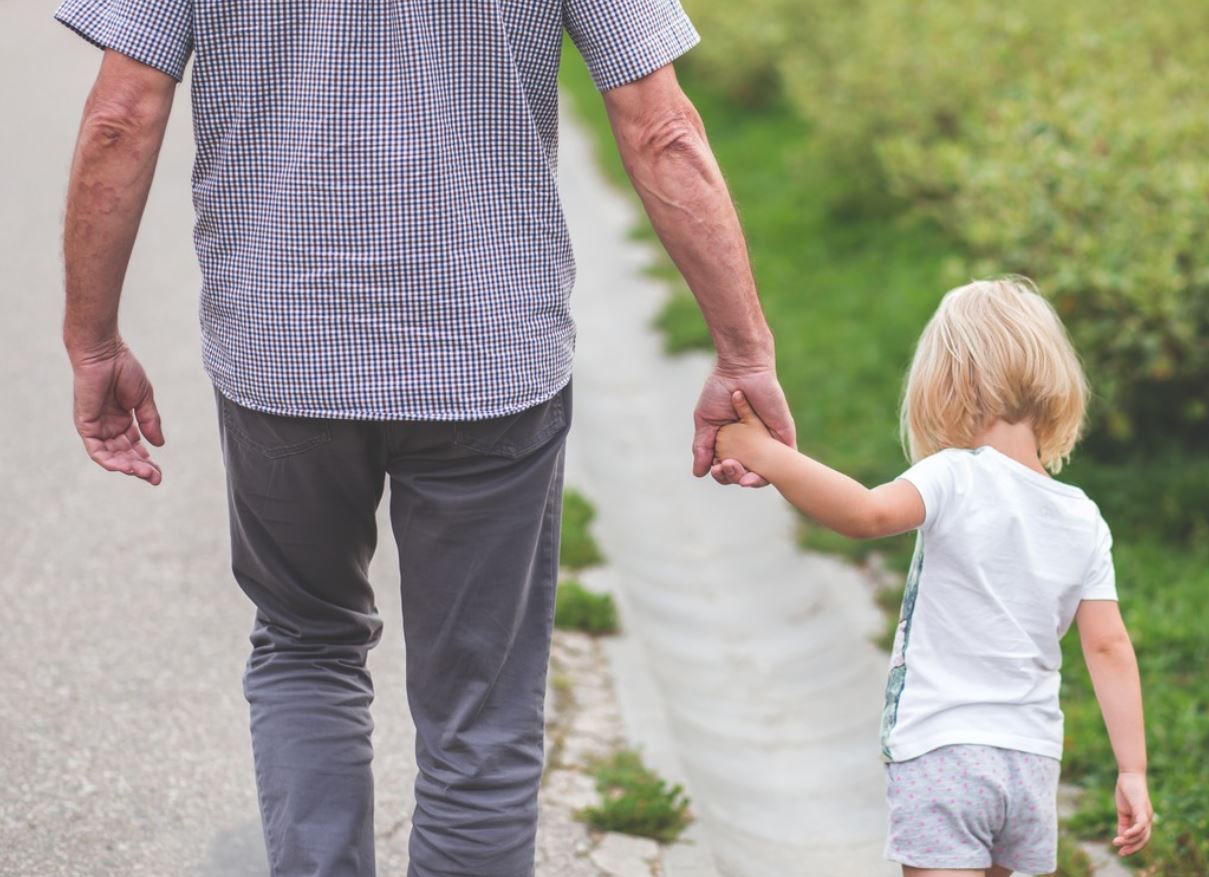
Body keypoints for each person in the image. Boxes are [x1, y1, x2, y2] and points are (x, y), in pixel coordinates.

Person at [54, 0, 793, 874]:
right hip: (489, 360)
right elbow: (660, 126)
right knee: (480, 709)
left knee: (304, 645)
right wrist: (742, 348)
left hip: (283, 356)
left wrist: (93, 337)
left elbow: (120, 116)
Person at [714, 277, 1153, 876]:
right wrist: (1132, 771)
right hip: (1031, 763)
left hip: (944, 750)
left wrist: (765, 453)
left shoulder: (955, 474)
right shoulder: (1081, 515)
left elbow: (865, 513)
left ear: (948, 384)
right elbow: (1108, 646)